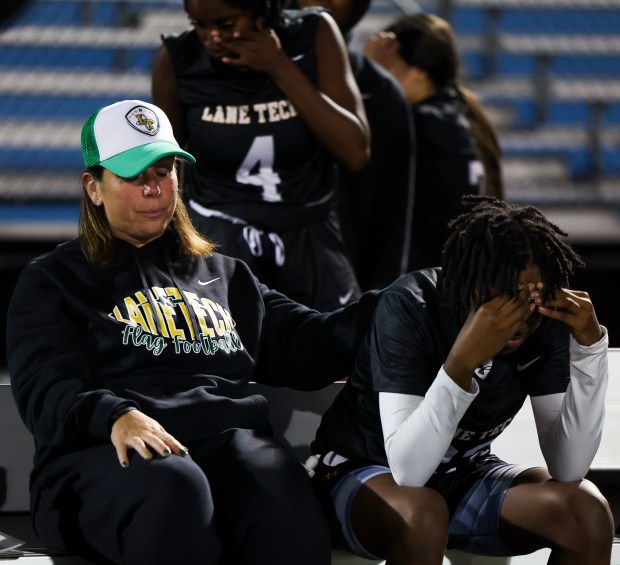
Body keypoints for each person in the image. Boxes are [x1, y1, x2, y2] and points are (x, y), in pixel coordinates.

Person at [6, 99, 378, 565]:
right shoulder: (55, 279)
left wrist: (392, 307)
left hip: (218, 449)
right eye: (134, 176)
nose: (154, 190)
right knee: (174, 485)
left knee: (280, 488)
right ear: (94, 187)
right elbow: (45, 385)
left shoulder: (226, 276)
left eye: (164, 172)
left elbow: (307, 342)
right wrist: (115, 414)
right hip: (102, 457)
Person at [309, 196, 614, 564]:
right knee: (422, 513)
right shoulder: (412, 305)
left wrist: (590, 348)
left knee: (587, 512)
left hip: (464, 475)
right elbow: (409, 471)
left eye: (531, 300)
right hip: (362, 472)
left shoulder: (543, 324)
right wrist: (462, 362)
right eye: (502, 297)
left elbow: (568, 467)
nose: (518, 317)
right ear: (466, 282)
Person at [151, 0, 370, 311]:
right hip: (219, 237)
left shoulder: (313, 33)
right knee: (228, 354)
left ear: (261, 10)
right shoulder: (178, 60)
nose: (212, 36)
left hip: (309, 233)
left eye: (226, 24)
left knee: (340, 347)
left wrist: (279, 66)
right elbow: (166, 168)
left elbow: (355, 150)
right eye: (198, 23)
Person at [289, 0, 416, 291]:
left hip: (341, 298)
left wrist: (376, 309)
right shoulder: (226, 74)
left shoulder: (380, 91)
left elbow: (390, 220)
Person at [364, 13, 504, 271]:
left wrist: (370, 77)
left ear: (418, 73)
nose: (382, 75)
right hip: (461, 276)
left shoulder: (419, 124)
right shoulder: (459, 113)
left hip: (426, 283)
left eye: (388, 67)